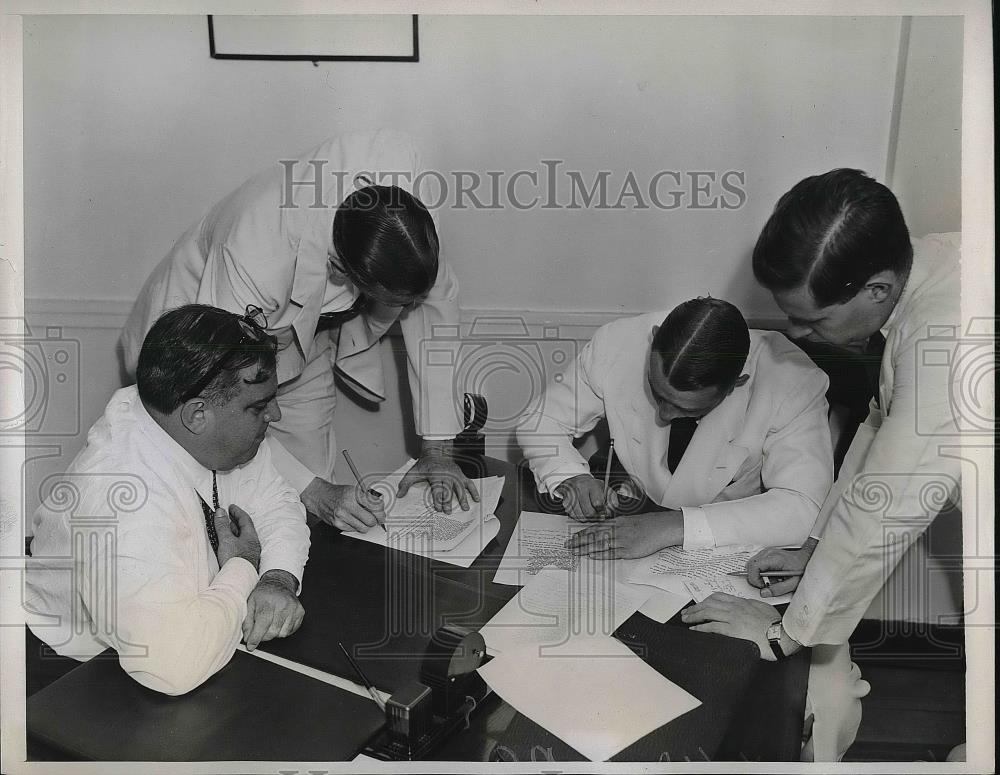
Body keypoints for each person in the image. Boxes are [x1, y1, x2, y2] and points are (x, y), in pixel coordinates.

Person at [682, 169, 962, 761]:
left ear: (877, 291)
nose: (797, 333)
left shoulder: (949, 339)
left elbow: (886, 505)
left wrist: (784, 636)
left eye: (813, 320)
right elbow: (879, 433)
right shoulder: (921, 264)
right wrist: (813, 542)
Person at [121, 130, 478, 532]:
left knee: (309, 494)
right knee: (222, 492)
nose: (404, 310)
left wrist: (438, 451)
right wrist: (314, 492)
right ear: (344, 272)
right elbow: (223, 399)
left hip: (300, 334)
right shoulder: (256, 248)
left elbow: (434, 312)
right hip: (199, 342)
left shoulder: (403, 204)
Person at [26, 304, 311, 695]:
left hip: (182, 627)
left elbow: (278, 502)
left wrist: (277, 578)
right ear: (197, 415)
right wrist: (245, 565)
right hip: (77, 669)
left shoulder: (193, 422)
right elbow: (170, 667)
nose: (274, 415)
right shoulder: (122, 495)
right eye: (259, 406)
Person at [516, 297, 834, 557]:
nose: (664, 415)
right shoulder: (618, 344)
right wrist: (570, 476)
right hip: (633, 512)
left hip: (722, 541)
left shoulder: (792, 381)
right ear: (654, 338)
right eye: (657, 392)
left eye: (684, 407)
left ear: (737, 384)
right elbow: (541, 419)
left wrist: (672, 527)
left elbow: (801, 508)